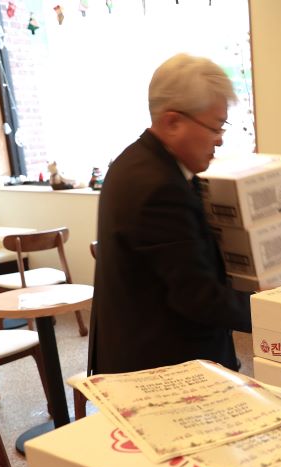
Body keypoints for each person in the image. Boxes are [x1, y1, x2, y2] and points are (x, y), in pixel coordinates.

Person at [89, 53, 252, 375]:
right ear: (173, 122)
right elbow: (198, 298)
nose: (220, 139)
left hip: (138, 349)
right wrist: (273, 310)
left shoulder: (135, 161)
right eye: (215, 126)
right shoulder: (158, 186)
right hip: (163, 366)